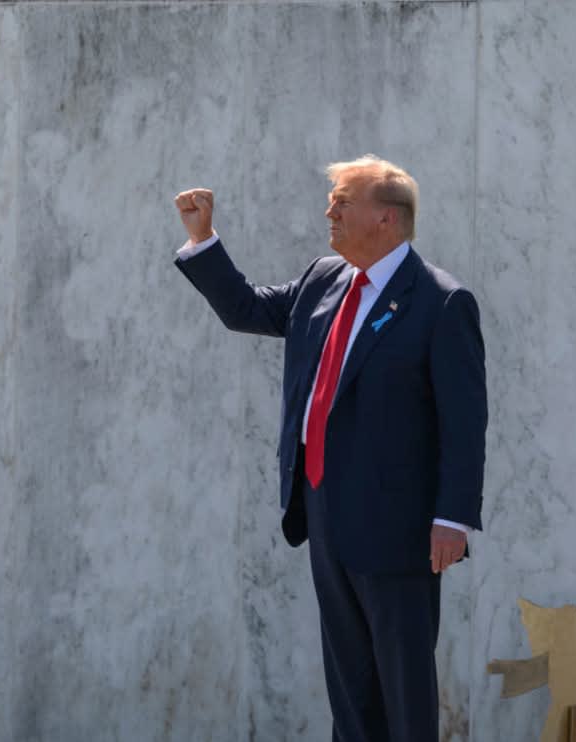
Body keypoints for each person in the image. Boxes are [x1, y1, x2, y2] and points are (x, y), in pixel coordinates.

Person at [173, 155, 486, 742]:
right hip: (324, 515)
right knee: (349, 691)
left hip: (399, 529)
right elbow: (248, 310)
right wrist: (203, 240)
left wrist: (454, 517)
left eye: (344, 202)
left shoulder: (441, 302)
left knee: (404, 693)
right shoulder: (324, 277)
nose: (329, 211)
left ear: (387, 219)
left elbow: (465, 421)